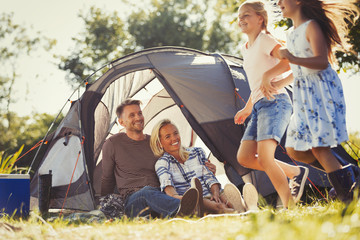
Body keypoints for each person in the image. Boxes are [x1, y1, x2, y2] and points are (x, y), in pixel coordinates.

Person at [276, 0, 359, 202]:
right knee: (295, 149)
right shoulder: (292, 33)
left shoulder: (311, 25)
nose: (278, 3)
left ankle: (346, 195)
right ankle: (349, 175)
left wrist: (292, 58)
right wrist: (277, 84)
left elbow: (321, 61)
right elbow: (299, 70)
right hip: (303, 93)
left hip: (321, 90)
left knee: (319, 147)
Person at [234, 0, 310, 208]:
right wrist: (248, 107)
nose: (241, 19)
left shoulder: (265, 40)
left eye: (246, 15)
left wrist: (271, 75)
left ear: (260, 18)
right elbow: (258, 83)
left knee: (266, 158)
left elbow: (291, 60)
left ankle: (290, 206)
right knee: (245, 157)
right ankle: (296, 172)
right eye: (239, 16)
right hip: (259, 105)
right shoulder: (246, 48)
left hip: (275, 102)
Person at [101, 99, 217, 218]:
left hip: (161, 196)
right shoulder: (113, 144)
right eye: (132, 115)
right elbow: (107, 179)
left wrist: (205, 169)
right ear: (121, 122)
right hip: (134, 199)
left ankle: (195, 209)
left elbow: (176, 163)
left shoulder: (155, 143)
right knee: (147, 192)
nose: (138, 117)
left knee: (160, 194)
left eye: (139, 113)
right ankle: (194, 209)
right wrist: (103, 203)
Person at [150, 119, 259, 216]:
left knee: (225, 198)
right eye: (167, 136)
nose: (174, 138)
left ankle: (245, 205)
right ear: (160, 144)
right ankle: (242, 212)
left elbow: (208, 176)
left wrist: (215, 193)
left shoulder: (196, 152)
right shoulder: (162, 164)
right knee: (220, 207)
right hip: (198, 199)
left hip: (212, 191)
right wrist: (190, 201)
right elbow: (171, 193)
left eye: (175, 133)